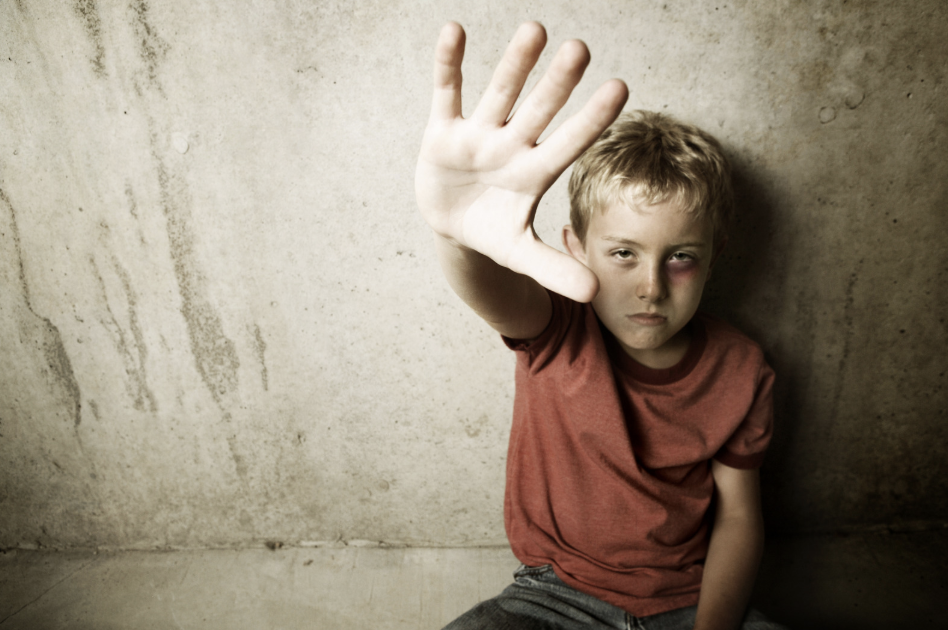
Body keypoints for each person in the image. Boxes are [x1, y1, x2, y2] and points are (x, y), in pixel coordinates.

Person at [416, 21, 788, 630]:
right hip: (551, 596)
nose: (651, 286)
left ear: (712, 258)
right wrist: (455, 231)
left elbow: (740, 519)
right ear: (577, 248)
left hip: (687, 602)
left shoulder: (743, 368)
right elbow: (491, 293)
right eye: (624, 253)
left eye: (681, 258)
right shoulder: (556, 327)